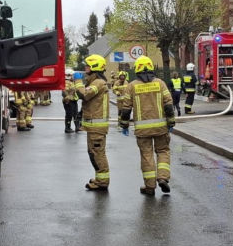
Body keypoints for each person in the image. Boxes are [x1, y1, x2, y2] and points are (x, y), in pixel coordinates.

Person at [118, 55, 175, 196]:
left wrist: (124, 125)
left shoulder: (131, 86)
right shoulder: (160, 83)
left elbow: (126, 109)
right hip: (161, 127)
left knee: (146, 155)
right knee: (163, 151)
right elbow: (168, 104)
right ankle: (163, 178)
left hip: (142, 131)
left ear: (137, 69)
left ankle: (150, 187)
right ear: (151, 67)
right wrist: (171, 122)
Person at [75, 54, 110, 191]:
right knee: (94, 153)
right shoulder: (94, 81)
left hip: (97, 127)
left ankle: (102, 182)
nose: (85, 68)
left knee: (97, 153)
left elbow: (84, 94)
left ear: (95, 67)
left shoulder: (98, 83)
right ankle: (100, 179)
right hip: (93, 127)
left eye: (88, 66)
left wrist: (77, 82)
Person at [62, 68, 81, 133]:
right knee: (69, 115)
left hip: (73, 100)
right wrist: (68, 100)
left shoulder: (71, 82)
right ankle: (67, 128)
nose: (73, 76)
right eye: (72, 75)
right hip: (69, 101)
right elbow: (65, 92)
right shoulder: (66, 83)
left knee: (75, 114)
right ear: (68, 75)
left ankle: (77, 127)